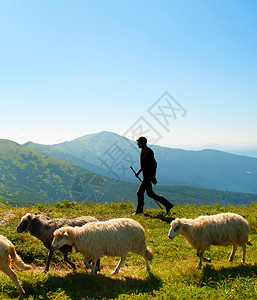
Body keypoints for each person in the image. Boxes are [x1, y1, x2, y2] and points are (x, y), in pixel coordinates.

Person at [133, 136, 174, 215]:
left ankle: (139, 211)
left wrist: (153, 177)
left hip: (148, 176)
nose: (137, 144)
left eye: (138, 142)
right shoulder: (143, 151)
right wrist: (138, 172)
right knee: (150, 193)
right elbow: (143, 166)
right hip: (146, 176)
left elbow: (154, 165)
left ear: (142, 143)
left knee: (139, 192)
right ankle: (168, 205)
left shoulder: (149, 152)